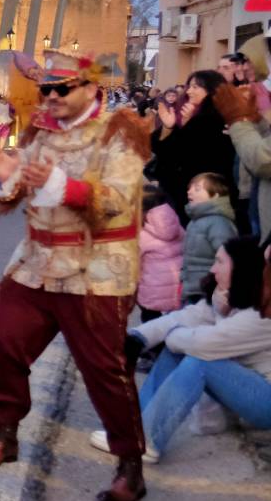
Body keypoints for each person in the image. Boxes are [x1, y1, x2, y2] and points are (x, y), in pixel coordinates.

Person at [0, 49, 150, 501]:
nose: (49, 97)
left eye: (60, 89)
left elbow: (116, 199)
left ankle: (130, 463)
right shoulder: (40, 132)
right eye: (44, 89)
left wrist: (58, 186)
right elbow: (18, 188)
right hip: (36, 264)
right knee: (5, 344)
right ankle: (5, 433)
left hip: (97, 271)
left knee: (104, 370)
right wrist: (7, 178)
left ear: (92, 89)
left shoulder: (120, 131)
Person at [107, 234, 271, 462]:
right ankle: (132, 430)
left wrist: (171, 337)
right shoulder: (228, 297)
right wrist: (138, 338)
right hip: (248, 386)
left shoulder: (262, 315)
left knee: (199, 360)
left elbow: (205, 345)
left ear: (241, 269)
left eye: (220, 262)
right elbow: (187, 316)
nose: (213, 269)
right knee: (179, 349)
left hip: (266, 400)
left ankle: (148, 440)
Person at [152, 69, 234, 223]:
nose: (189, 91)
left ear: (211, 89)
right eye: (189, 86)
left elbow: (175, 153)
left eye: (195, 87)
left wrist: (178, 127)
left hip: (204, 192)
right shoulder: (198, 115)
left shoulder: (210, 118)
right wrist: (170, 127)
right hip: (196, 191)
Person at [179, 171, 235, 300]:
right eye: (189, 188)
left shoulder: (218, 222)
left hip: (208, 291)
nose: (189, 192)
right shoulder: (195, 221)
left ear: (214, 196)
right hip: (193, 288)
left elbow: (228, 258)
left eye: (197, 189)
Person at [137, 188, 183, 320]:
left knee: (151, 331)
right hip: (177, 292)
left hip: (152, 296)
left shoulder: (142, 235)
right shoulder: (178, 227)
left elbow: (134, 265)